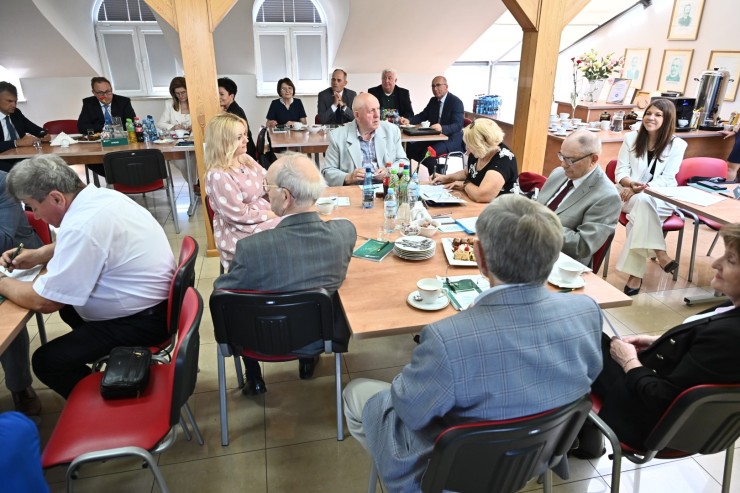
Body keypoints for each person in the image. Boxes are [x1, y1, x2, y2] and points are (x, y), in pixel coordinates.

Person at [342, 194, 603, 493]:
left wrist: (418, 367)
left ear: (479, 257)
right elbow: (587, 377)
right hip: (535, 458)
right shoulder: (586, 311)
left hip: (455, 474)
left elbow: (409, 410)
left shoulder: (448, 337)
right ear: (554, 255)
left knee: (357, 392)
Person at [0, 155, 175, 399]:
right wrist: (40, 254)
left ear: (56, 198)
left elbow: (45, 301)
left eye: (34, 207)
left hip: (141, 322)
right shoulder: (102, 198)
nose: (36, 216)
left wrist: (3, 282)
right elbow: (92, 243)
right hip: (154, 307)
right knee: (69, 310)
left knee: (47, 361)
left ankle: (105, 405)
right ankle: (107, 374)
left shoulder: (82, 224)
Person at [575, 223, 740, 457]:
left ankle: (571, 438)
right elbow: (701, 357)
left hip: (649, 422)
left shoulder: (728, 336)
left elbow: (661, 398)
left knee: (578, 341)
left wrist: (629, 362)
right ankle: (585, 438)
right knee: (592, 339)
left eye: (730, 260)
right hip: (685, 417)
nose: (716, 263)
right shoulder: (731, 311)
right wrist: (658, 341)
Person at [214, 153, 356, 394]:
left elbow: (223, 293)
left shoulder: (251, 248)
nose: (264, 193)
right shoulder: (345, 233)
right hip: (321, 336)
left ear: (286, 196)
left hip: (258, 340)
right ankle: (307, 361)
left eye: (267, 187)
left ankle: (253, 377)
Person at [615, 99, 687, 295]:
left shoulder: (678, 145)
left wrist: (640, 190)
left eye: (658, 115)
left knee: (640, 212)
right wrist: (631, 184)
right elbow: (620, 171)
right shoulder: (631, 138)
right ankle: (660, 252)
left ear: (668, 119)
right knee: (642, 203)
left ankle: (636, 274)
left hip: (660, 198)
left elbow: (668, 178)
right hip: (627, 195)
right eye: (648, 113)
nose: (651, 118)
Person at [204, 112, 281, 270]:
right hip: (239, 230)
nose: (246, 140)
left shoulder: (245, 159)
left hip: (259, 218)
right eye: (239, 137)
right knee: (292, 229)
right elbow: (239, 215)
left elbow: (268, 181)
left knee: (297, 223)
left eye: (245, 134)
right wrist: (276, 214)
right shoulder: (218, 175)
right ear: (223, 141)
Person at [537, 130, 621, 266]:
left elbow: (582, 245)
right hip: (530, 247)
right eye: (562, 156)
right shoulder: (558, 173)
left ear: (593, 159)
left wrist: (539, 226)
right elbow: (538, 207)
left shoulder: (607, 196)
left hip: (560, 262)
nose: (563, 164)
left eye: (571, 160)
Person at [0, 171, 43, 416]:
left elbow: (4, 240)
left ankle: (19, 386)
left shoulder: (3, 182)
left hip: (16, 260)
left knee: (6, 316)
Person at [322, 92, 408, 186]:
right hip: (355, 189)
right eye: (371, 111)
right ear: (357, 115)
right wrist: (348, 177)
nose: (377, 115)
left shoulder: (392, 131)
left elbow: (403, 161)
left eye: (378, 109)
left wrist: (389, 171)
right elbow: (327, 172)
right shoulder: (337, 136)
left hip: (386, 188)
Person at [431, 118, 517, 202]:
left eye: (470, 144)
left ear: (482, 144)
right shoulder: (479, 152)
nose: (466, 149)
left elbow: (481, 196)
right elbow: (467, 172)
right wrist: (446, 178)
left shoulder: (503, 160)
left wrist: (465, 184)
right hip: (478, 205)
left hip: (504, 207)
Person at [400, 76, 464, 175]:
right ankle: (416, 176)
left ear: (446, 86)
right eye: (433, 86)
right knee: (411, 148)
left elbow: (458, 125)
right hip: (435, 137)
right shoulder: (433, 101)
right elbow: (423, 115)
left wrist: (442, 128)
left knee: (428, 153)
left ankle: (436, 177)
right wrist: (409, 120)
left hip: (451, 139)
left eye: (438, 85)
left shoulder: (456, 102)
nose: (435, 88)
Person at [0, 82, 50, 172]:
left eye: (15, 101)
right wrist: (17, 142)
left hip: (21, 156)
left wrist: (44, 134)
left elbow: (34, 129)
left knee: (48, 164)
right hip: (3, 161)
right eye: (9, 101)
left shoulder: (16, 113)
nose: (14, 105)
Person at [158, 76, 196, 187]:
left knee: (195, 160)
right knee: (182, 163)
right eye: (177, 93)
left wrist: (195, 126)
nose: (181, 96)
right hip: (177, 144)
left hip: (194, 142)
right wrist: (173, 126)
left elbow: (204, 121)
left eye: (183, 92)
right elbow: (160, 123)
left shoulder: (196, 102)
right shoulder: (169, 104)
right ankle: (194, 184)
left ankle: (196, 184)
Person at [218, 77, 256, 159]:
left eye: (221, 94)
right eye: (217, 94)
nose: (218, 97)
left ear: (231, 96)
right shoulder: (232, 108)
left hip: (243, 153)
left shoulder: (233, 113)